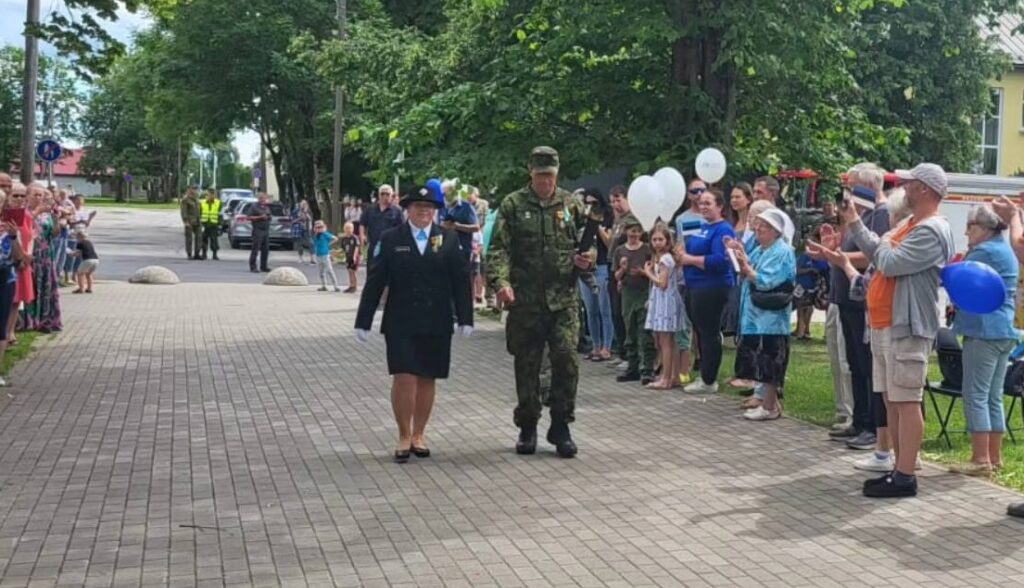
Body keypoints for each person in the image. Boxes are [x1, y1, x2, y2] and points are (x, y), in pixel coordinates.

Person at [844, 163, 955, 498]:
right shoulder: (910, 223)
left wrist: (879, 242)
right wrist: (858, 226)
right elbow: (880, 253)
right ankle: (896, 466)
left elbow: (888, 261)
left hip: (907, 325)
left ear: (923, 189)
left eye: (908, 184)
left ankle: (906, 475)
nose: (902, 189)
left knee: (907, 400)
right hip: (884, 322)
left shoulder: (931, 229)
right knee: (892, 398)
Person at [487, 146, 593, 458]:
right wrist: (501, 282)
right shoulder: (513, 204)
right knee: (527, 364)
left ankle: (561, 424)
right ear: (530, 173)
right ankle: (528, 425)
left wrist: (588, 258)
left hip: (563, 300)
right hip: (526, 301)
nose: (545, 181)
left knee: (567, 360)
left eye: (550, 176)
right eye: (540, 175)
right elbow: (498, 250)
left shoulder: (571, 203)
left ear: (557, 174)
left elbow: (587, 243)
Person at [354, 186, 473, 462]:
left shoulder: (448, 238)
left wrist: (466, 317)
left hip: (436, 319)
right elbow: (376, 280)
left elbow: (460, 279)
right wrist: (364, 319)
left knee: (427, 376)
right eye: (419, 206)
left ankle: (419, 433)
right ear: (407, 209)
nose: (424, 211)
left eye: (429, 207)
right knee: (404, 376)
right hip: (401, 319)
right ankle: (404, 434)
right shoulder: (391, 238)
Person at [817, 164, 890, 452]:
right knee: (855, 365)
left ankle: (873, 425)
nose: (848, 192)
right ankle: (859, 421)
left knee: (868, 365)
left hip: (864, 300)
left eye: (853, 185)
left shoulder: (881, 214)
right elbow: (848, 249)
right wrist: (833, 245)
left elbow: (874, 256)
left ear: (869, 186)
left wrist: (839, 256)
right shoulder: (857, 214)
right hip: (847, 296)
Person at [948, 204, 1017, 477]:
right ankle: (994, 457)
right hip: (1004, 331)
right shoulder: (1004, 249)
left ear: (986, 228)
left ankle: (979, 459)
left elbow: (959, 282)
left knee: (975, 394)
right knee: (993, 396)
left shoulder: (983, 252)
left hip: (983, 330)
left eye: (971, 226)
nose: (966, 232)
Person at [726, 208, 796, 421]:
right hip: (756, 317)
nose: (758, 232)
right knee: (762, 361)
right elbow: (746, 265)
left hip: (772, 318)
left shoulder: (782, 251)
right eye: (757, 228)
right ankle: (769, 404)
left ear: (776, 231)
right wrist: (738, 253)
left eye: (764, 228)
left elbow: (767, 280)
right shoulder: (761, 249)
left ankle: (770, 406)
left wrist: (748, 269)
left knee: (772, 361)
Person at [677, 188, 736, 394]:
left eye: (708, 203)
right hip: (693, 286)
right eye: (701, 203)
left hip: (712, 287)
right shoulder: (699, 227)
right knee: (700, 333)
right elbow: (687, 248)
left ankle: (709, 379)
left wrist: (690, 260)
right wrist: (682, 255)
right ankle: (704, 374)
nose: (703, 207)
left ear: (720, 206)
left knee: (709, 333)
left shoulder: (724, 230)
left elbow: (720, 261)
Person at [611, 215, 655, 385]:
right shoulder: (620, 251)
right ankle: (633, 366)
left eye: (637, 231)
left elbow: (653, 271)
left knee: (645, 330)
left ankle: (647, 368)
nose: (635, 234)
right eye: (631, 231)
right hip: (628, 293)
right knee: (629, 329)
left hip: (644, 291)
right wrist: (622, 269)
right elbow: (616, 276)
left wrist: (644, 273)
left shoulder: (646, 250)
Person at [643, 223, 684, 389]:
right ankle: (673, 376)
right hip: (663, 299)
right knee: (668, 342)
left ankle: (666, 378)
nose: (657, 242)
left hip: (665, 301)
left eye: (661, 239)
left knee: (665, 341)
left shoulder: (665, 259)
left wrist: (648, 273)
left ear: (667, 241)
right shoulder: (660, 258)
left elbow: (662, 283)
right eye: (654, 239)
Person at [577, 188, 615, 362]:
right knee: (590, 310)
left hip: (601, 266)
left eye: (594, 203)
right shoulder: (580, 220)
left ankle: (607, 347)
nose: (590, 206)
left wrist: (597, 227)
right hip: (585, 269)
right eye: (587, 203)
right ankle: (596, 346)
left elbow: (609, 245)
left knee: (604, 309)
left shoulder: (607, 218)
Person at [21, 184, 62, 332]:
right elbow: (25, 226)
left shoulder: (46, 213)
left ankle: (45, 319)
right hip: (31, 253)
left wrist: (56, 219)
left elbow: (54, 234)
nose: (39, 198)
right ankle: (29, 320)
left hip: (45, 255)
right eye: (36, 195)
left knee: (46, 285)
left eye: (41, 195)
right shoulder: (26, 211)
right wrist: (37, 212)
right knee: (30, 285)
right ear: (28, 196)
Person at [607, 185, 631, 364]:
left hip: (624, 269)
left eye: (618, 199)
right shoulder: (617, 220)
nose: (616, 204)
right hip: (613, 267)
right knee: (615, 312)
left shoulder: (631, 219)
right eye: (612, 201)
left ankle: (629, 354)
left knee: (623, 312)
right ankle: (621, 351)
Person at [360, 185, 403, 268]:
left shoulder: (397, 211)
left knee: (389, 271)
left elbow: (402, 228)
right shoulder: (370, 209)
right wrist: (362, 235)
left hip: (390, 246)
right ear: (379, 195)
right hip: (374, 244)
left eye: (387, 194)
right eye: (382, 194)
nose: (385, 196)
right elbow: (362, 223)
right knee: (372, 270)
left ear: (391, 196)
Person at [312, 220, 341, 292]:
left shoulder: (325, 234)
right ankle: (324, 285)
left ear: (324, 227)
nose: (319, 229)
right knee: (321, 272)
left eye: (321, 227)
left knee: (329, 270)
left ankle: (336, 286)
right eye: (317, 227)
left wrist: (329, 244)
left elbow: (335, 238)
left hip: (325, 255)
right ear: (315, 228)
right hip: (318, 255)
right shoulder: (315, 236)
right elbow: (315, 244)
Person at [248, 193, 272, 273]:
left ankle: (264, 266)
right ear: (259, 198)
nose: (264, 200)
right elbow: (249, 217)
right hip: (258, 229)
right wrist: (260, 217)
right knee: (256, 248)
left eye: (265, 198)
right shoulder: (254, 207)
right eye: (262, 198)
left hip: (266, 230)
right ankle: (253, 266)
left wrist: (268, 217)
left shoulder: (266, 207)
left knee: (265, 249)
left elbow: (269, 216)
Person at [71, 228, 99, 293]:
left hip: (87, 260)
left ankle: (81, 289)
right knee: (89, 274)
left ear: (80, 237)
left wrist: (72, 254)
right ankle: (89, 288)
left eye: (77, 237)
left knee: (80, 274)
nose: (76, 238)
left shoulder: (80, 243)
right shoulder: (89, 242)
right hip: (96, 260)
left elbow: (78, 253)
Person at [180, 187, 202, 260]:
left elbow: (200, 210)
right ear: (188, 191)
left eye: (195, 190)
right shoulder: (185, 200)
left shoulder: (197, 200)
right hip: (189, 222)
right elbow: (183, 211)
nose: (194, 191)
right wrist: (185, 221)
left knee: (199, 238)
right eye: (192, 190)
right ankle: (189, 254)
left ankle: (197, 253)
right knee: (189, 239)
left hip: (197, 221)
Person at [199, 189, 221, 261]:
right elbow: (199, 213)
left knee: (214, 240)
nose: (210, 196)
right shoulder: (202, 203)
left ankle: (215, 254)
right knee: (203, 240)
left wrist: (220, 225)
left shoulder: (218, 203)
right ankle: (204, 254)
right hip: (204, 224)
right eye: (209, 195)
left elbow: (220, 215)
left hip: (214, 224)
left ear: (215, 195)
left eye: (212, 194)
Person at [339, 222, 360, 293]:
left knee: (353, 272)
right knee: (349, 272)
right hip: (348, 257)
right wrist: (336, 252)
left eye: (349, 228)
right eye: (346, 228)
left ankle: (355, 286)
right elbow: (343, 249)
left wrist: (354, 256)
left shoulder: (354, 238)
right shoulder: (344, 239)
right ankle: (351, 286)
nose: (348, 230)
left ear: (352, 229)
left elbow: (357, 247)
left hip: (354, 257)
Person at [292, 199, 315, 265]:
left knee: (311, 243)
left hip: (307, 229)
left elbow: (310, 219)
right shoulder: (296, 211)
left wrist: (305, 212)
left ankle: (312, 258)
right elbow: (292, 220)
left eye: (305, 204)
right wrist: (299, 219)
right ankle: (300, 258)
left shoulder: (309, 211)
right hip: (298, 229)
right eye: (302, 204)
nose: (303, 205)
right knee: (300, 243)